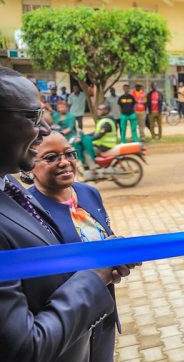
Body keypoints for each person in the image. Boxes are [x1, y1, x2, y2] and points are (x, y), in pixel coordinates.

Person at [0, 66, 133, 361]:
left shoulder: (10, 187)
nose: (45, 129)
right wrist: (95, 275)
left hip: (88, 336)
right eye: (33, 117)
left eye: (69, 154)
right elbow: (24, 348)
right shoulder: (24, 194)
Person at [27, 131, 132, 362]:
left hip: (102, 310)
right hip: (66, 323)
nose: (64, 162)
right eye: (51, 157)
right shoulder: (27, 210)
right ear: (29, 166)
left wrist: (116, 249)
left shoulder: (89, 193)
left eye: (69, 154)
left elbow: (104, 234)